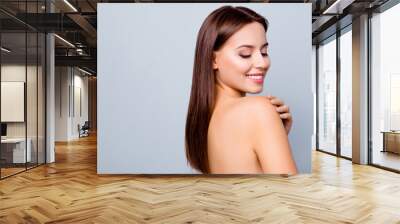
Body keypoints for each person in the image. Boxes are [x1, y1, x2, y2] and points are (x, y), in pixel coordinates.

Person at [185, 6, 297, 175]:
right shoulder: (259, 110)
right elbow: (292, 197)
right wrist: (270, 126)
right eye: (245, 54)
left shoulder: (206, 119)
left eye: (264, 52)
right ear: (213, 60)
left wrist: (276, 137)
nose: (262, 63)